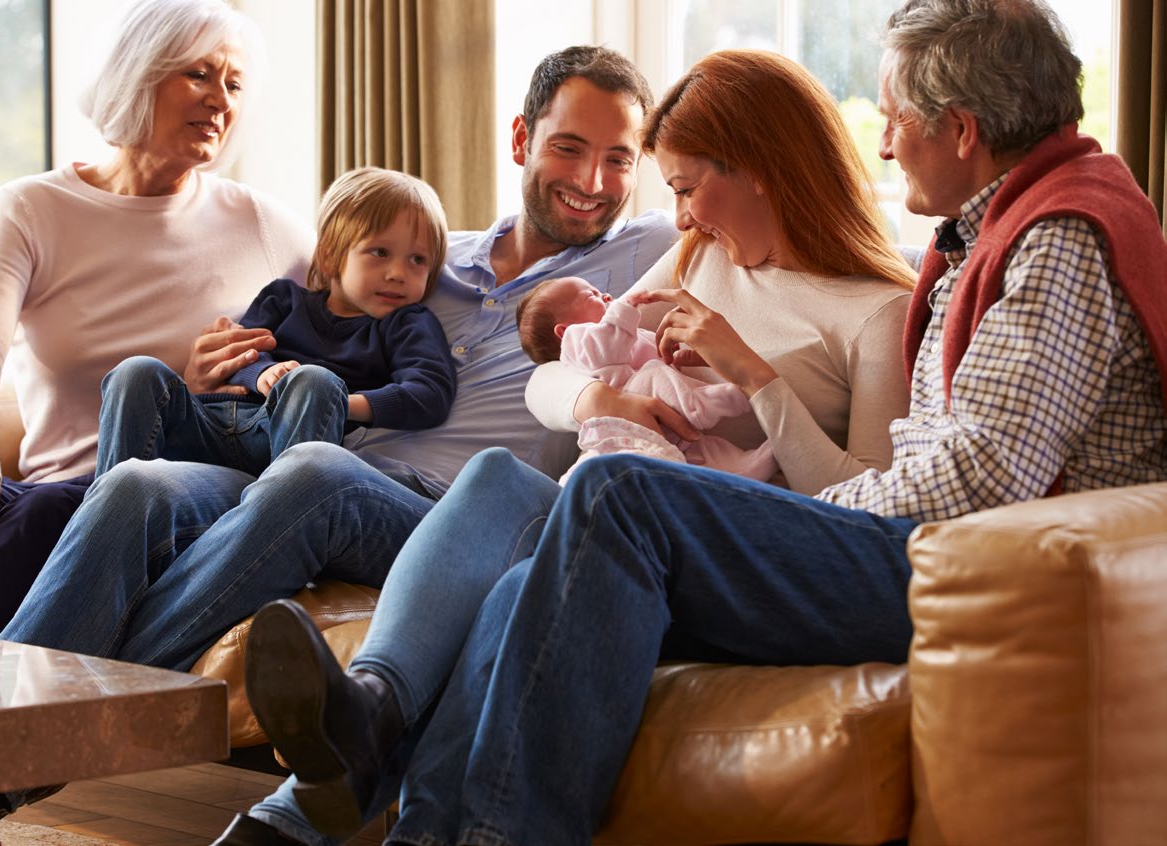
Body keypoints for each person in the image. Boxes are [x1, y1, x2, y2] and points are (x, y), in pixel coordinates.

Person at [239, 1, 1167, 844]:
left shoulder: (1054, 243)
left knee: (612, 494)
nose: (884, 145)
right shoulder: (975, 239)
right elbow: (567, 365)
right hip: (898, 534)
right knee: (529, 534)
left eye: (898, 120)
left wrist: (775, 471)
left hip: (933, 554)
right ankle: (390, 779)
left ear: (961, 130)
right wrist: (603, 399)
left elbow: (969, 483)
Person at [0, 45, 678, 846]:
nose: (593, 181)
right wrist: (217, 365)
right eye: (570, 147)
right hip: (313, 467)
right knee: (141, 483)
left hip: (444, 517)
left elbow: (745, 217)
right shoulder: (428, 256)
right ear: (521, 139)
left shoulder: (643, 253)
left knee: (315, 471)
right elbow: (293, 310)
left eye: (620, 159)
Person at [235, 47, 922, 846]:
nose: (682, 215)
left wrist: (756, 378)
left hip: (720, 544)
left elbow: (866, 499)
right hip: (619, 508)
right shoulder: (699, 256)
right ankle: (375, 717)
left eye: (688, 188)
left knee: (510, 590)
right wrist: (603, 397)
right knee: (498, 481)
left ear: (761, 167)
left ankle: (329, 811)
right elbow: (558, 372)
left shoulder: (877, 312)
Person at [0, 0, 313, 638]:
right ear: (138, 73)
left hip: (171, 501)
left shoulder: (266, 226)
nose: (220, 100)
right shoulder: (31, 208)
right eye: (199, 75)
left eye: (234, 85)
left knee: (40, 521)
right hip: (49, 492)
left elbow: (337, 348)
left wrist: (221, 389)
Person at [95, 167, 455, 479]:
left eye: (418, 260)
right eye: (380, 252)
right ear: (330, 256)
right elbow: (237, 355)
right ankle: (104, 507)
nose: (398, 273)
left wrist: (339, 402)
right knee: (135, 372)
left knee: (312, 381)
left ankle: (277, 515)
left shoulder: (407, 323)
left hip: (284, 441)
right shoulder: (284, 298)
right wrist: (261, 374)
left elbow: (430, 394)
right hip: (212, 426)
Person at [516, 275, 777, 481]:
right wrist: (625, 307)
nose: (605, 294)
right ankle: (704, 404)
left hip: (664, 423)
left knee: (711, 454)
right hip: (630, 407)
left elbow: (653, 350)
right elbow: (610, 346)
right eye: (591, 295)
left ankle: (760, 461)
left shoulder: (624, 329)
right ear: (564, 330)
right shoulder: (579, 342)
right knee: (653, 372)